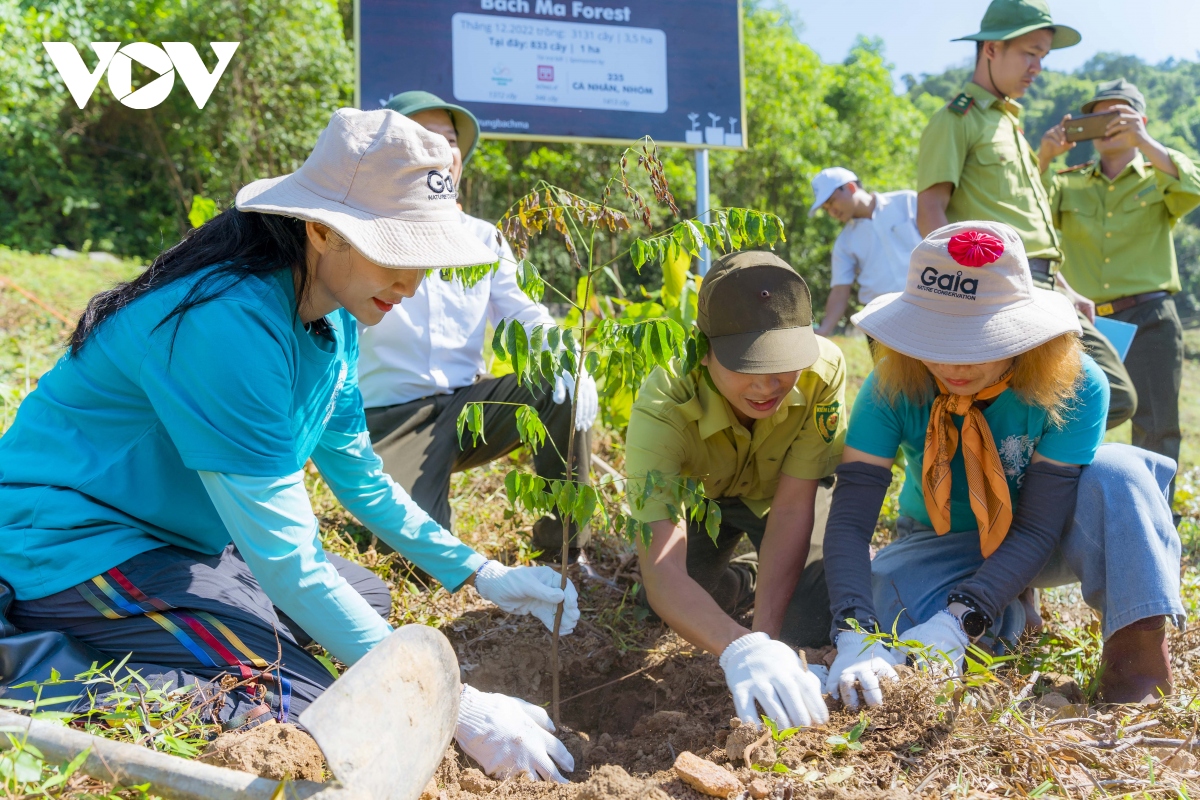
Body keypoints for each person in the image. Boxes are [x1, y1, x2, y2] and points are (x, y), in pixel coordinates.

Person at [0, 109, 578, 782]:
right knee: (307, 708)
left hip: (179, 543)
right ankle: (50, 661)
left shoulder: (333, 318)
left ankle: (172, 632)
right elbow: (288, 565)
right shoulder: (227, 325)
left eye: (425, 260)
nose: (412, 285)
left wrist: (482, 573)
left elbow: (359, 475)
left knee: (366, 599)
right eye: (397, 253)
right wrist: (455, 702)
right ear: (321, 229)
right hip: (78, 542)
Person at [822, 220, 1183, 710]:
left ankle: (1136, 661)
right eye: (936, 339)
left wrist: (959, 619)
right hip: (942, 538)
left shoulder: (1075, 384)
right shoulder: (891, 385)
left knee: (1120, 475)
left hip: (1049, 530)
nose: (955, 362)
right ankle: (1008, 621)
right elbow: (849, 520)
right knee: (888, 598)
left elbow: (1037, 525)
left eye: (979, 340)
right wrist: (852, 631)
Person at [359, 91, 596, 559]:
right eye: (422, 137)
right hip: (390, 420)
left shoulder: (483, 238)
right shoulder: (363, 230)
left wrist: (567, 356)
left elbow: (524, 314)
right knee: (419, 560)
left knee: (557, 387)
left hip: (468, 410)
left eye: (448, 140)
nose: (441, 150)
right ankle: (389, 507)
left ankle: (567, 549)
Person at [626, 251, 846, 729]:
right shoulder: (665, 399)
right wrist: (739, 646)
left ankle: (764, 586)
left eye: (782, 366)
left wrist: (764, 637)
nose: (768, 385)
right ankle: (743, 576)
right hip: (706, 504)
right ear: (705, 351)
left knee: (807, 619)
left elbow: (791, 509)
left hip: (783, 496)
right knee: (663, 607)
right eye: (746, 366)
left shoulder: (823, 370)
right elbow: (665, 574)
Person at [914, 0, 1136, 431]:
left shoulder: (1010, 125)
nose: (1037, 67)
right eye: (1029, 52)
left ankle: (1012, 458)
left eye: (1043, 57)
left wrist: (1068, 287)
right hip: (999, 286)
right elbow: (931, 211)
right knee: (1098, 392)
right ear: (991, 49)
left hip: (1048, 285)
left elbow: (1030, 225)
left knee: (1115, 396)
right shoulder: (957, 118)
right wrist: (962, 290)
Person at [1039, 79, 1200, 503]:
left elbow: (1194, 187)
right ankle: (1072, 515)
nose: (1107, 124)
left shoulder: (1161, 173)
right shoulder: (1067, 182)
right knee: (1076, 417)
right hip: (1086, 322)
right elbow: (1029, 216)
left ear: (1140, 120)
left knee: (1157, 424)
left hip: (1150, 316)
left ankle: (1156, 518)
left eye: (1119, 114)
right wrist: (1043, 157)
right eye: (1099, 115)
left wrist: (1145, 141)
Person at [808, 167, 920, 337]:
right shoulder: (844, 243)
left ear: (851, 187)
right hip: (881, 322)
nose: (832, 212)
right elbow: (840, 290)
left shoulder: (908, 202)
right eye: (826, 208)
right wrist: (824, 329)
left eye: (831, 201)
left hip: (927, 308)